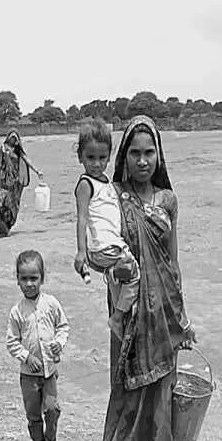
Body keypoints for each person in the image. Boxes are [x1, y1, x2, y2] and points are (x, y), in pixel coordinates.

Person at [90, 115, 196, 441]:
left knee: (158, 405)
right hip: (130, 318)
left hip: (163, 318)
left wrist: (182, 318)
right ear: (123, 156)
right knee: (127, 400)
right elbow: (104, 249)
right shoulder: (113, 198)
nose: (142, 160)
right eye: (134, 152)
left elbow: (172, 261)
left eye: (149, 152)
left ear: (159, 155)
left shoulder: (168, 200)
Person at [72, 118, 139, 340]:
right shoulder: (85, 184)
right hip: (104, 248)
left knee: (120, 289)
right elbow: (81, 218)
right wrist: (81, 251)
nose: (96, 164)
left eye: (102, 158)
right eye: (90, 158)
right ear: (80, 156)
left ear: (109, 156)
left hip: (110, 246)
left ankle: (120, 321)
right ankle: (118, 317)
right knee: (134, 274)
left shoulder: (106, 181)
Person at [6, 250, 70, 441]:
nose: (29, 283)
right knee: (33, 414)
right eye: (24, 279)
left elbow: (63, 327)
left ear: (42, 278)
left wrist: (58, 343)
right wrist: (26, 356)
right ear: (17, 280)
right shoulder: (17, 312)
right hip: (28, 376)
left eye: (34, 278)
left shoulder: (51, 304)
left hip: (49, 372)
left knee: (52, 409)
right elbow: (11, 342)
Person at [0, 130, 43, 236]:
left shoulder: (18, 150)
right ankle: (0, 224)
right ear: (8, 138)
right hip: (5, 181)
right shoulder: (3, 148)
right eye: (12, 138)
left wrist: (37, 171)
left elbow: (27, 160)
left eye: (15, 138)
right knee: (2, 202)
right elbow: (0, 164)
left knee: (13, 205)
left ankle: (7, 227)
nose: (13, 140)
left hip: (16, 183)